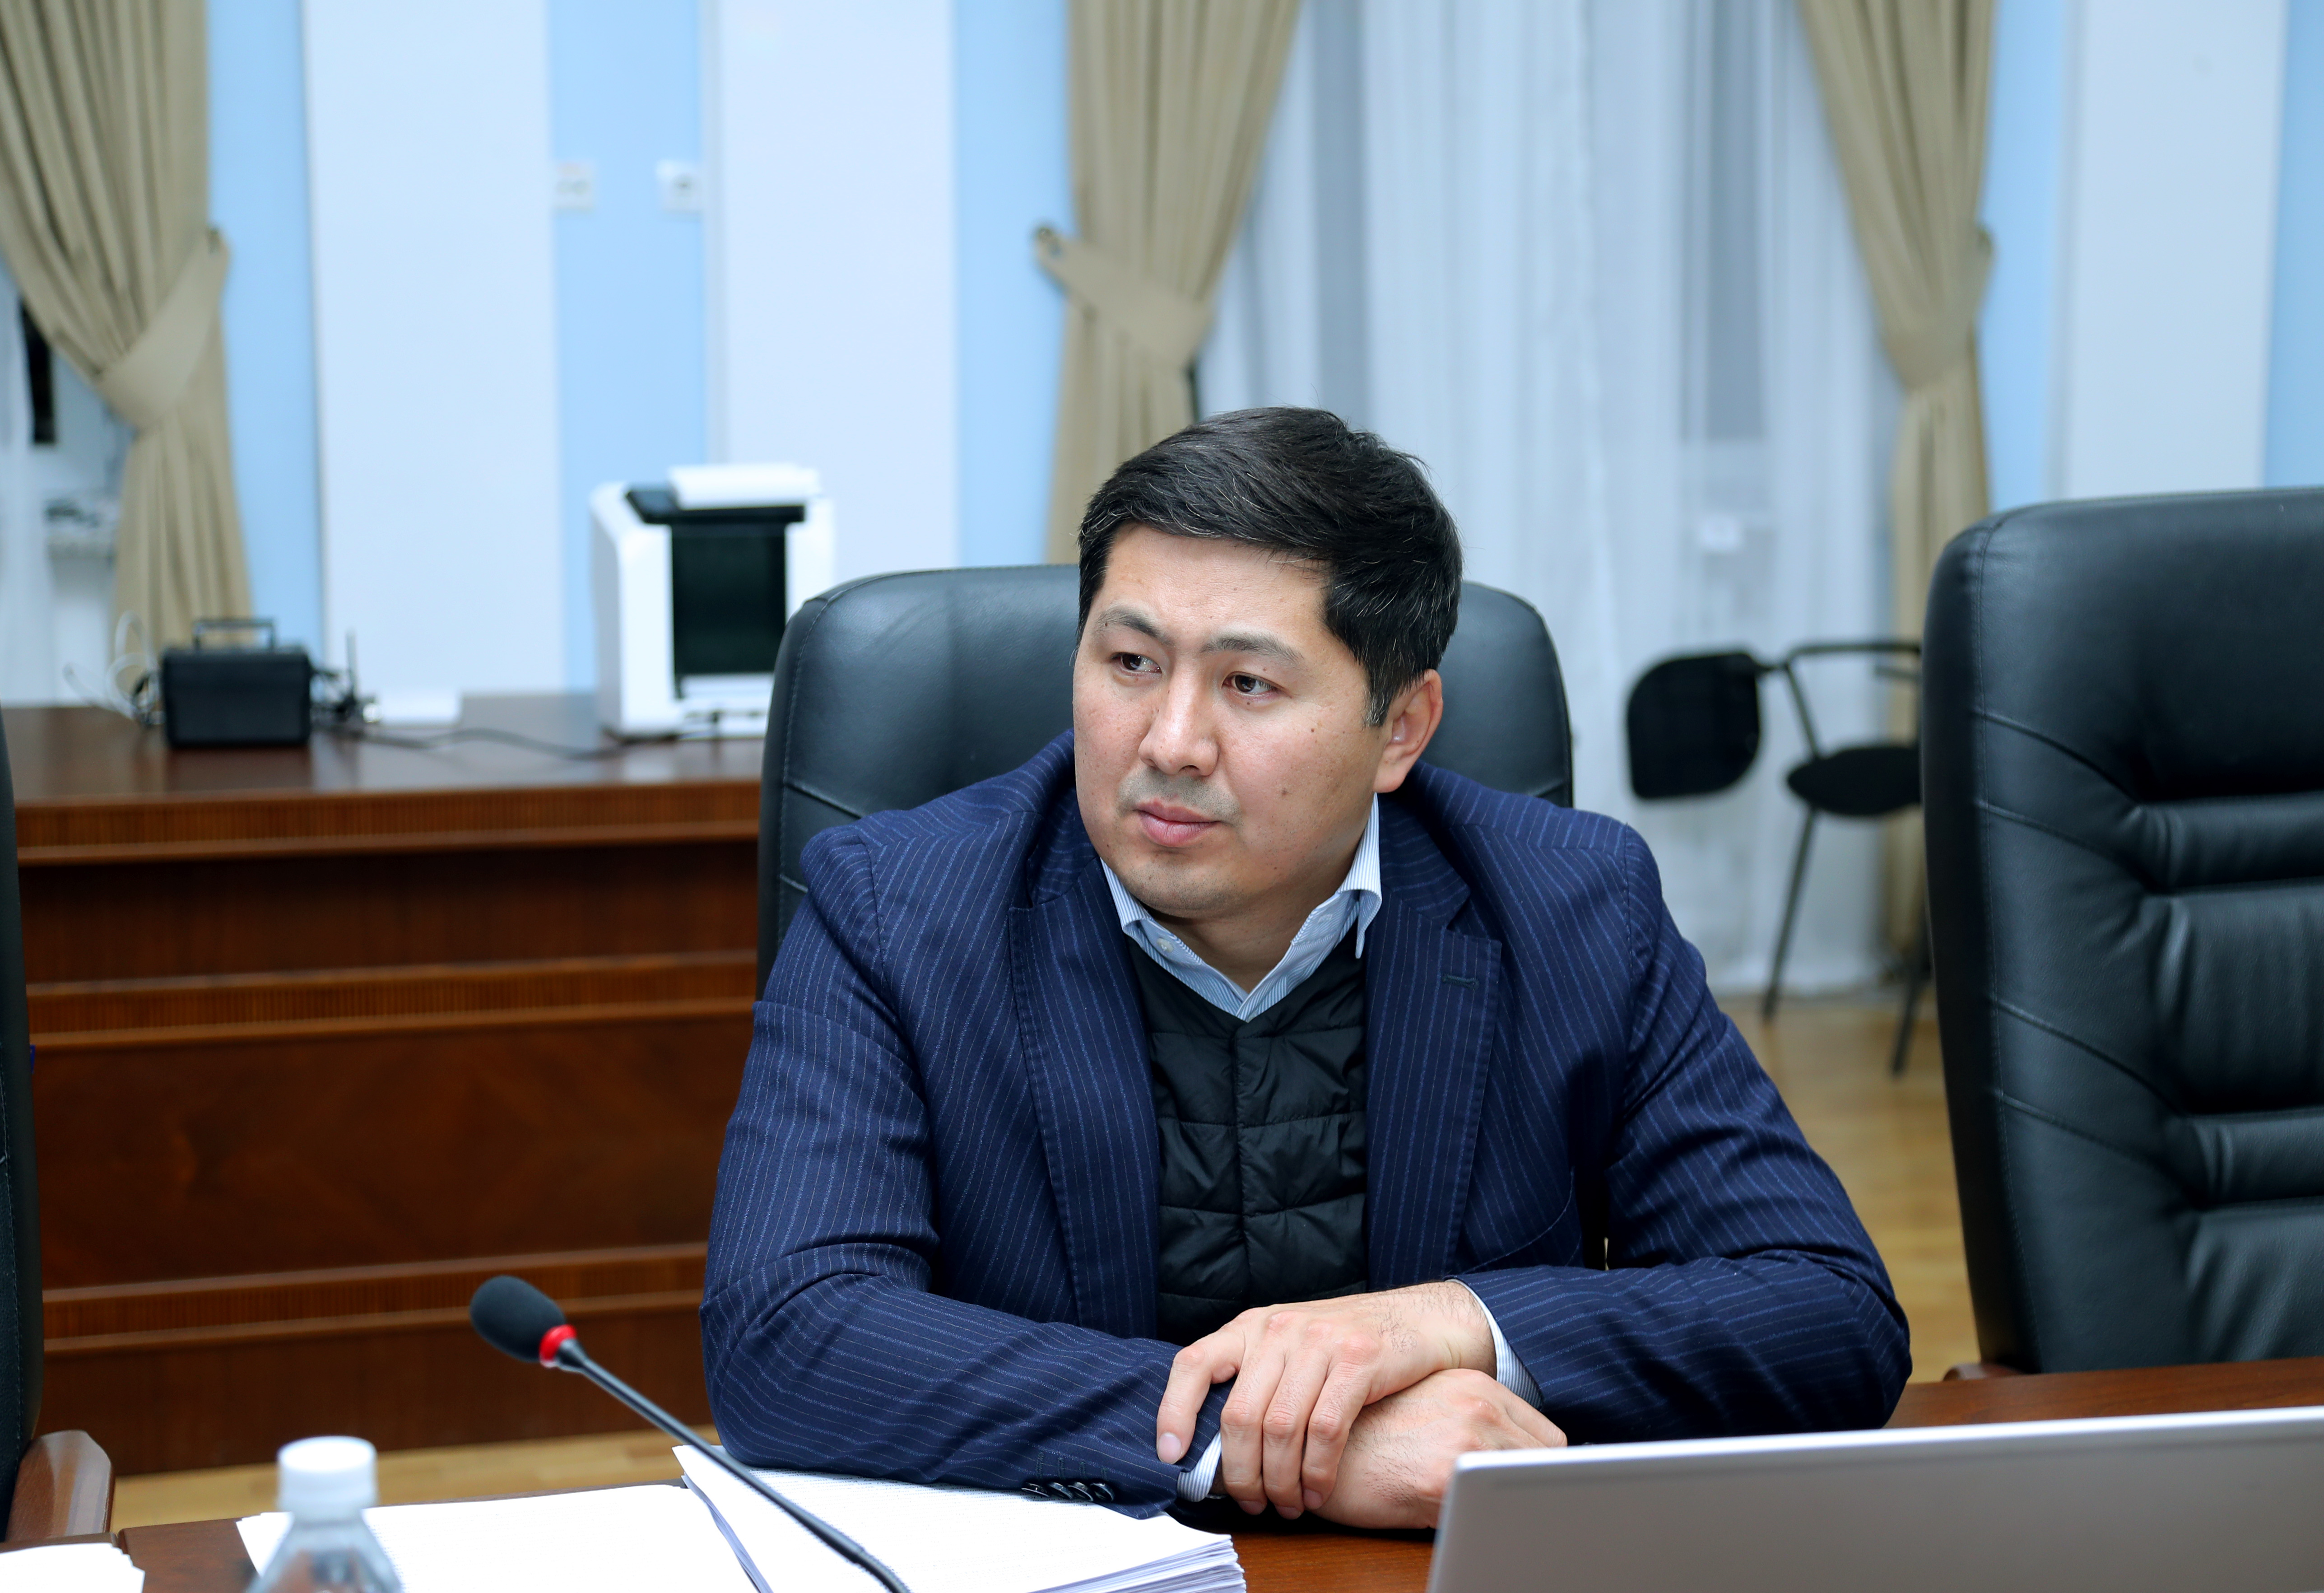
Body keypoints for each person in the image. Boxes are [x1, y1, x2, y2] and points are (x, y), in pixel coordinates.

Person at [703, 409, 1908, 1528]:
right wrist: (1266, 1442)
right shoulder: (898, 909)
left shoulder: (1574, 906)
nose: (1170, 741)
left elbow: (1827, 1311)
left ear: (1400, 729)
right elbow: (784, 1337)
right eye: (1129, 663)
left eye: (1248, 684)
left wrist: (1454, 1324)